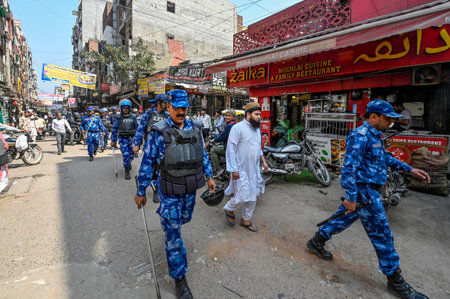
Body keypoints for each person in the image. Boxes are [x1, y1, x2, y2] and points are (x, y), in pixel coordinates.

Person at [306, 100, 430, 299]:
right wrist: (351, 197)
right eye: (387, 119)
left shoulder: (375, 135)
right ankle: (395, 280)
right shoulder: (360, 136)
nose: (390, 123)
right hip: (365, 192)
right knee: (383, 235)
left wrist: (410, 169)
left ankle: (316, 241)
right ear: (373, 116)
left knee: (342, 219)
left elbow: (384, 158)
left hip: (368, 191)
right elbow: (349, 169)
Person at [135, 89, 216, 299]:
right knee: (174, 234)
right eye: (177, 107)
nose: (181, 111)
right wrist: (141, 190)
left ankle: (173, 236)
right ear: (168, 106)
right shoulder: (158, 132)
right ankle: (180, 279)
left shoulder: (196, 129)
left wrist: (209, 176)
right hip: (169, 190)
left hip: (190, 188)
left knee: (184, 219)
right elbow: (147, 162)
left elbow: (203, 155)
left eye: (184, 107)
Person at [223, 102, 269, 232]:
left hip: (254, 169)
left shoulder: (257, 130)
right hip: (240, 168)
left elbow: (258, 148)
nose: (259, 117)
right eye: (257, 114)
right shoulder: (237, 128)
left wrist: (264, 162)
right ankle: (229, 208)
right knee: (243, 194)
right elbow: (230, 149)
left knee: (253, 195)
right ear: (248, 114)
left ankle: (245, 219)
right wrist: (234, 169)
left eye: (260, 115)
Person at [132, 93, 169, 201]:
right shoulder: (148, 114)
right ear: (159, 103)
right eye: (165, 103)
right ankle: (142, 186)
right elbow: (140, 129)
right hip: (150, 147)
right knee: (148, 169)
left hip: (163, 147)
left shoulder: (167, 115)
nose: (167, 105)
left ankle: (157, 189)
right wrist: (136, 144)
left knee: (160, 169)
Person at [111, 99, 138, 180]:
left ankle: (128, 163)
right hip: (123, 139)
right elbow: (114, 130)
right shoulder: (118, 118)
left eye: (127, 108)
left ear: (129, 108)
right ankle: (127, 170)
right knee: (125, 155)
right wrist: (113, 141)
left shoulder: (133, 117)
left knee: (132, 155)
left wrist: (139, 141)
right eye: (124, 108)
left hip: (132, 139)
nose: (125, 109)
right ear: (121, 108)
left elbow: (138, 129)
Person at [210, 109, 236, 176]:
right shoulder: (233, 124)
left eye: (229, 116)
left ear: (233, 117)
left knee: (213, 150)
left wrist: (214, 140)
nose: (227, 117)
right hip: (232, 147)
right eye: (226, 115)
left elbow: (222, 137)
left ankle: (218, 170)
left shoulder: (230, 126)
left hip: (228, 149)